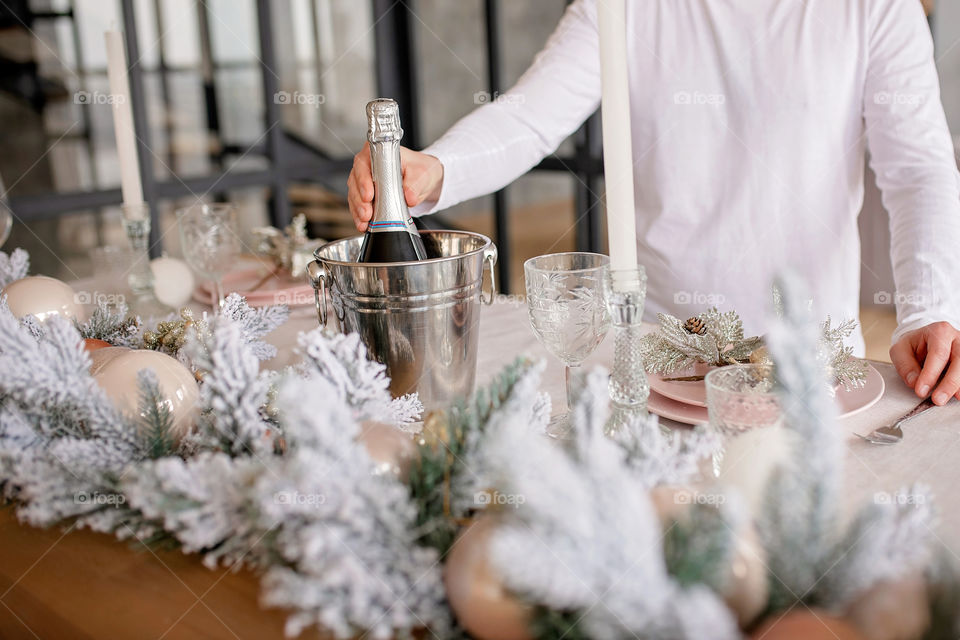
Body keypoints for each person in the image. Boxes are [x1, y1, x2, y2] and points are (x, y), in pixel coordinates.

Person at [347, 0, 960, 406]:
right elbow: (530, 117)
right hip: (665, 357)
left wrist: (929, 307)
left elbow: (919, 170)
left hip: (815, 364)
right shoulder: (619, 7)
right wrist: (436, 169)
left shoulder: (876, 7)